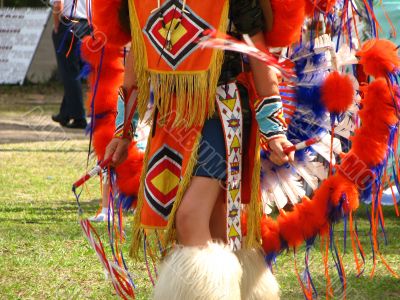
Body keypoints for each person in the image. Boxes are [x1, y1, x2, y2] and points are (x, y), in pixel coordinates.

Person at [105, 0, 293, 298]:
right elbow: (137, 62)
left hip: (221, 115)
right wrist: (123, 132)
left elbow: (259, 57)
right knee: (216, 227)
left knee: (190, 218)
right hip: (171, 122)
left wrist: (274, 131)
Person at [51, 0, 90, 129]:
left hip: (69, 25)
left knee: (69, 72)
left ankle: (79, 117)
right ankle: (65, 113)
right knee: (75, 70)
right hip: (87, 26)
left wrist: (57, 26)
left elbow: (58, 5)